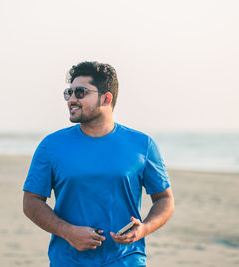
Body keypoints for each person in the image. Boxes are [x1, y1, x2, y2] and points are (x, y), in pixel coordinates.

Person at [23, 61, 175, 267]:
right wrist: (68, 232)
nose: (71, 100)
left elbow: (165, 199)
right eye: (69, 93)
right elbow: (31, 202)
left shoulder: (142, 145)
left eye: (80, 92)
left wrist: (144, 229)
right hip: (68, 261)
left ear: (106, 98)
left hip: (127, 260)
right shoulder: (51, 146)